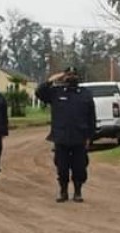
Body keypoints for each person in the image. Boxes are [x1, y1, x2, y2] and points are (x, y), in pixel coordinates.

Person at [35, 66, 96, 203]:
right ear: (64, 77)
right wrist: (51, 80)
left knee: (79, 168)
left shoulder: (85, 94)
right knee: (62, 168)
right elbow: (39, 92)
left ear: (78, 77)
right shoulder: (56, 92)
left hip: (79, 137)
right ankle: (63, 192)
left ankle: (78, 192)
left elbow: (91, 117)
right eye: (68, 75)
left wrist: (89, 136)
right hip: (61, 137)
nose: (71, 77)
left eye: (74, 75)